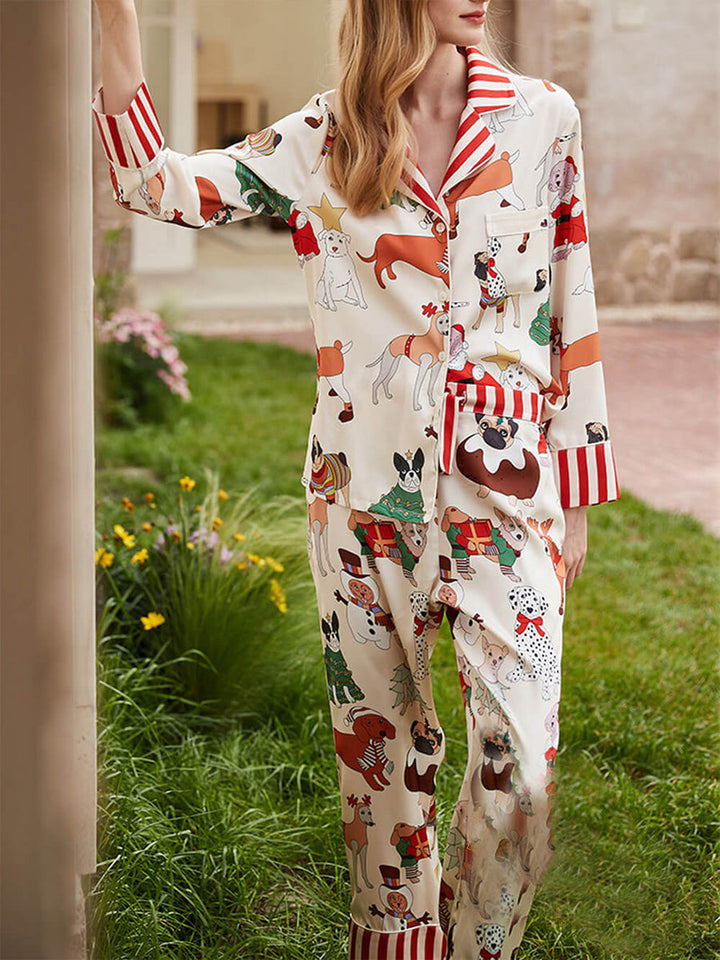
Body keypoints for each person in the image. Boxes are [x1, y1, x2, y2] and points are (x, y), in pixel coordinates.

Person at [92, 1, 620, 957]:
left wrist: (575, 491)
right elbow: (154, 183)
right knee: (382, 781)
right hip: (360, 503)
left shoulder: (544, 118)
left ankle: (476, 946)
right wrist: (115, 21)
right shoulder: (326, 134)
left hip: (506, 499)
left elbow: (569, 296)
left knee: (523, 779)